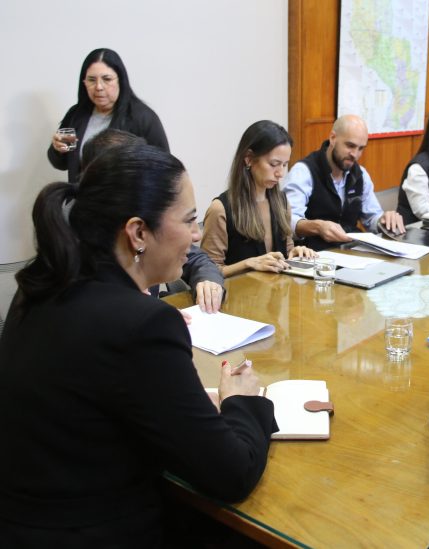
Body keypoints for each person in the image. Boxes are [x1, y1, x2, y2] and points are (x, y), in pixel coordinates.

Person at [0, 144, 276, 546]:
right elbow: (231, 474)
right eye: (189, 220)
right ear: (138, 233)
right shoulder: (143, 324)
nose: (196, 235)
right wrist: (241, 400)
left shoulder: (40, 287)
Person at [82, 128, 224, 313]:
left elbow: (195, 257)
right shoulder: (76, 247)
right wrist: (146, 312)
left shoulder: (147, 217)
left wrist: (208, 280)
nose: (196, 235)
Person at [201, 120, 316, 277]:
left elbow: (286, 251)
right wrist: (248, 264)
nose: (281, 173)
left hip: (276, 289)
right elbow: (208, 272)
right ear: (249, 159)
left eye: (284, 165)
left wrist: (295, 253)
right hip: (240, 292)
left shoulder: (282, 202)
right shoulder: (220, 209)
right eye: (274, 164)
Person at [283, 115, 405, 251]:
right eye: (350, 146)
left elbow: (372, 217)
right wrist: (318, 227)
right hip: (314, 254)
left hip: (351, 250)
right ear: (333, 138)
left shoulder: (360, 174)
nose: (355, 154)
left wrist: (384, 220)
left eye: (361, 148)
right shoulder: (304, 171)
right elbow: (287, 221)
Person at [48, 48, 169, 183]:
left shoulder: (143, 118)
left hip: (125, 196)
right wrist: (58, 149)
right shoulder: (76, 114)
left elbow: (164, 169)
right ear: (84, 82)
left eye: (107, 79)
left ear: (120, 81)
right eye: (91, 80)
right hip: (81, 195)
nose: (99, 87)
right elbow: (61, 164)